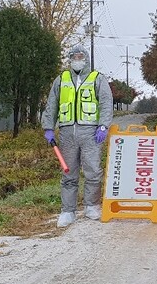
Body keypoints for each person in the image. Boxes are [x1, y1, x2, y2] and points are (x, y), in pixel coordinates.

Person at [42, 44, 114, 227]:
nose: (77, 60)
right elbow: (52, 104)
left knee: (92, 171)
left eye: (80, 57)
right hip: (67, 133)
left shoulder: (97, 79)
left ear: (86, 58)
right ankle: (68, 211)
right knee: (68, 173)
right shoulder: (61, 80)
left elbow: (106, 103)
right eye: (73, 57)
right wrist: (48, 128)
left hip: (91, 133)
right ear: (69, 59)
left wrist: (103, 126)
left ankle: (92, 206)